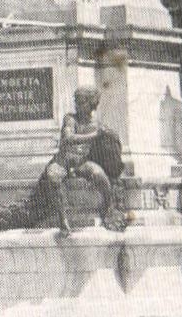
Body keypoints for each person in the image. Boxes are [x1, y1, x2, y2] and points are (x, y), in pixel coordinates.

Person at [39, 87, 121, 236]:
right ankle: (63, 220)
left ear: (92, 104)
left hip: (81, 163)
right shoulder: (70, 119)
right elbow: (68, 138)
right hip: (63, 160)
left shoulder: (98, 125)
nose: (77, 106)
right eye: (76, 102)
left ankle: (106, 211)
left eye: (81, 102)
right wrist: (95, 135)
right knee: (53, 175)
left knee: (100, 175)